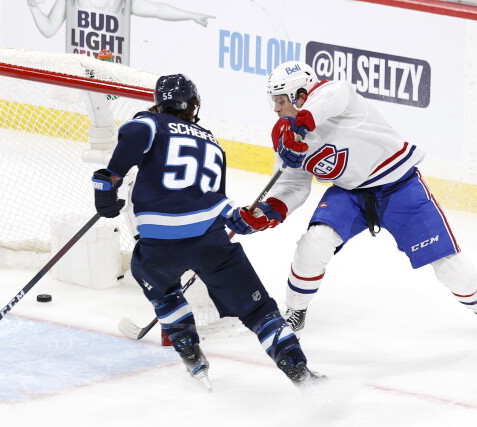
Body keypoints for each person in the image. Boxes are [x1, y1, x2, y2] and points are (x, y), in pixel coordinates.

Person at [226, 61, 477, 337]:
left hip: (400, 186)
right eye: (274, 101)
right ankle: (296, 310)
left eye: (281, 100)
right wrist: (266, 213)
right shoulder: (284, 135)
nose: (276, 109)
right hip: (349, 194)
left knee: (448, 264)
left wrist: (301, 125)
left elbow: (334, 97)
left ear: (301, 94)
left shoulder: (333, 93)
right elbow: (292, 184)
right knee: (314, 242)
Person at [92, 73, 324, 389]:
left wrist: (109, 179)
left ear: (160, 105)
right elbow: (210, 194)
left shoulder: (151, 123)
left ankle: (191, 355)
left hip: (158, 244)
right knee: (259, 310)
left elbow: (134, 132)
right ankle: (302, 375)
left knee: (159, 285)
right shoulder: (213, 142)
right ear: (194, 105)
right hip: (210, 238)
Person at [27, 0, 214, 65]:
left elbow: (158, 9)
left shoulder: (122, 2)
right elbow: (49, 29)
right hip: (79, 71)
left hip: (111, 75)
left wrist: (192, 15)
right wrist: (33, 6)